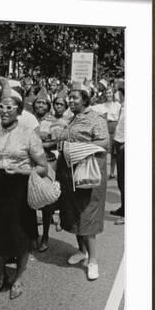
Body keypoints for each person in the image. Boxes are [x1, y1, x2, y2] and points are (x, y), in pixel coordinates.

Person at [0, 78, 48, 299]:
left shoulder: (28, 133)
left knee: (21, 236)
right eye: (1, 106)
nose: (4, 111)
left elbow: (42, 168)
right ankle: (1, 276)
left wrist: (21, 172)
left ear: (19, 110)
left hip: (19, 192)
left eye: (9, 107)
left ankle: (19, 278)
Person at [57, 84, 109, 281]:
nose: (70, 101)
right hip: (69, 175)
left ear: (86, 99)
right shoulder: (72, 119)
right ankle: (82, 252)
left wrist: (80, 148)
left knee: (87, 216)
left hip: (87, 173)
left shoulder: (96, 118)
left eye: (74, 98)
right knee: (73, 213)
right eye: (69, 97)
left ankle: (93, 260)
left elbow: (104, 143)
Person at [32, 87, 58, 252]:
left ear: (48, 106)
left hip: (48, 162)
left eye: (44, 103)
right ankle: (33, 234)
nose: (41, 105)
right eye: (38, 102)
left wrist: (38, 144)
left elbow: (56, 142)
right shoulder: (28, 119)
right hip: (31, 162)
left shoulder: (53, 121)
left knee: (46, 201)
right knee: (30, 199)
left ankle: (46, 236)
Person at [110, 86, 125, 225]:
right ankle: (123, 208)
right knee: (121, 180)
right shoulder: (123, 107)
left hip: (125, 146)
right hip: (119, 144)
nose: (116, 95)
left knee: (126, 180)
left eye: (117, 93)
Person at [102, 88, 122, 178]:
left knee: (114, 152)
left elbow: (120, 118)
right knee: (105, 150)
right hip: (106, 126)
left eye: (110, 93)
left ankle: (112, 172)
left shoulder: (118, 105)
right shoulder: (103, 105)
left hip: (115, 127)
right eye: (106, 93)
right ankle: (104, 171)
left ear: (113, 94)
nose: (108, 95)